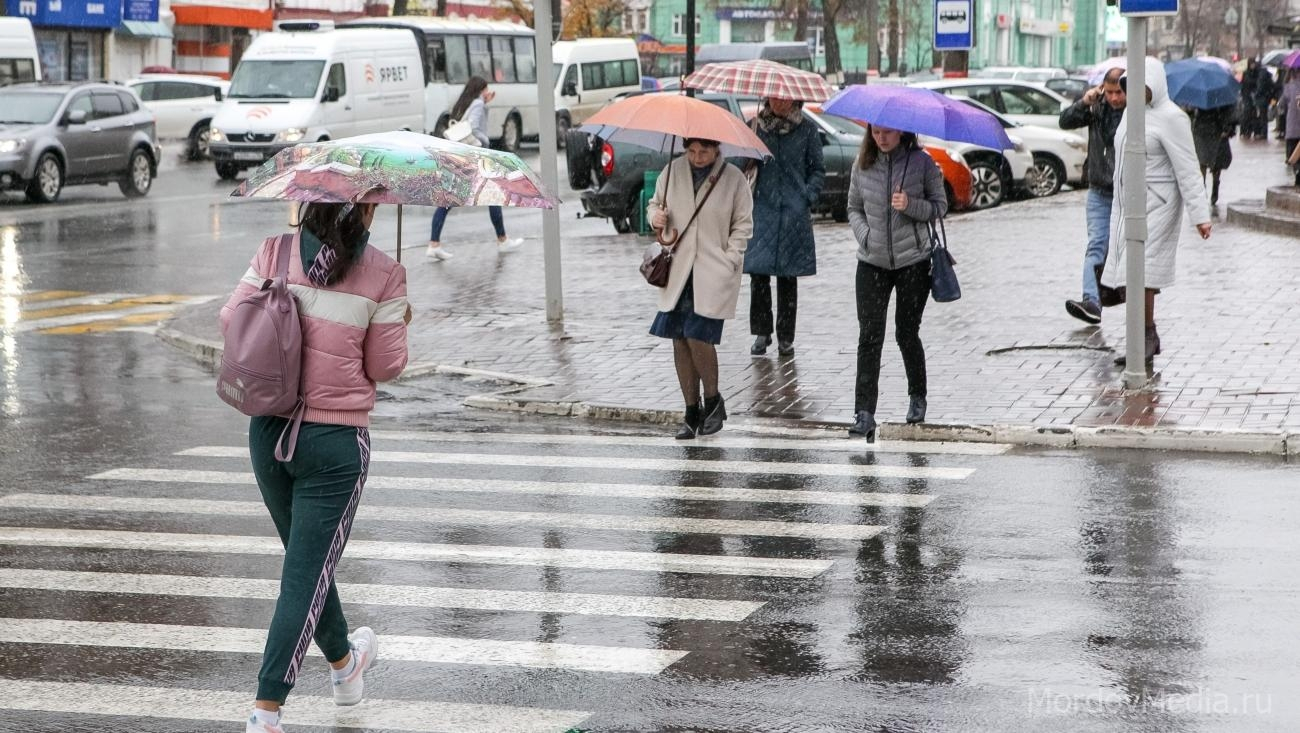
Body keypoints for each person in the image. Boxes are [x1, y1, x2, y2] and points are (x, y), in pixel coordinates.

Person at [221, 201, 411, 733]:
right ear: (368, 212)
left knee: (308, 565)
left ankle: (346, 667)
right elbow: (385, 366)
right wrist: (397, 314)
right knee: (305, 572)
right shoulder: (385, 273)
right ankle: (266, 711)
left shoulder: (274, 253)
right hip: (334, 445)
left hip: (268, 433)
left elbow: (230, 320)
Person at [1101, 58, 1212, 367]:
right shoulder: (1129, 115)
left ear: (1156, 85)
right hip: (1128, 203)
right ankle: (1144, 336)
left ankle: (1144, 340)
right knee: (1128, 274)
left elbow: (1188, 168)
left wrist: (1200, 215)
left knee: (1141, 273)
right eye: (1130, 86)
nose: (1136, 92)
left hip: (1159, 204)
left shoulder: (1172, 118)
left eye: (1143, 86)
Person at [846, 124, 948, 442]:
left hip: (912, 263)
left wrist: (912, 205)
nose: (882, 138)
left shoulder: (922, 163)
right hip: (871, 263)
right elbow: (853, 208)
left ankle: (917, 396)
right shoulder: (862, 163)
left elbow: (940, 206)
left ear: (902, 132)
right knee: (870, 336)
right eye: (876, 132)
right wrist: (866, 235)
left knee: (906, 332)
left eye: (888, 132)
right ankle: (864, 413)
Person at [647, 138, 754, 439]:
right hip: (678, 267)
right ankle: (691, 411)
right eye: (691, 151)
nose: (697, 157)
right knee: (679, 338)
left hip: (711, 269)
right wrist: (655, 217)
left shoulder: (732, 178)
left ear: (717, 149)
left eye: (704, 151)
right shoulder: (671, 171)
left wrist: (731, 257)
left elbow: (744, 224)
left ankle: (713, 399)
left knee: (698, 336)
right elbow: (654, 204)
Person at [743, 97, 825, 357]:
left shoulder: (808, 130)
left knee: (788, 278)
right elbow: (738, 165)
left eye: (784, 96)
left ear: (795, 99)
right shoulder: (755, 126)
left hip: (793, 212)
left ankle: (786, 337)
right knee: (758, 274)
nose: (779, 101)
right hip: (762, 209)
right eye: (774, 95)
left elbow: (818, 170)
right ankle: (761, 332)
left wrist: (806, 197)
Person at [426, 75, 523, 260]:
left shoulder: (465, 103)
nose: (488, 92)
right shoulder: (477, 104)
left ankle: (434, 243)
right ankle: (502, 240)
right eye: (486, 89)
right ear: (480, 90)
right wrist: (486, 143)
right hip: (474, 158)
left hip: (461, 158)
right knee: (492, 196)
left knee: (449, 200)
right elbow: (475, 129)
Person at [1061, 66, 1127, 325]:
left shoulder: (1137, 113)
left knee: (1126, 248)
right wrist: (1084, 102)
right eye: (1109, 92)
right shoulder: (1096, 108)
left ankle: (1127, 299)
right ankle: (1091, 301)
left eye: (1119, 92)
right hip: (1099, 190)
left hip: (1127, 192)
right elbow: (1065, 121)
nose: (1114, 98)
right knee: (1097, 244)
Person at [1189, 103, 1236, 207]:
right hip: (1205, 131)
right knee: (1205, 162)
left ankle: (1210, 188)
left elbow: (1229, 114)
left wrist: (1227, 129)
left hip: (1212, 131)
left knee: (1211, 163)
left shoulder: (1199, 97)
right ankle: (1206, 190)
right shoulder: (1219, 97)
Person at [1281, 69, 1300, 187]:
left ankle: (1297, 170)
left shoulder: (1289, 86)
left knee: (1292, 151)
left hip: (1292, 126)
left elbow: (1282, 103)